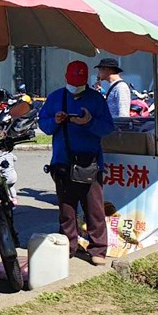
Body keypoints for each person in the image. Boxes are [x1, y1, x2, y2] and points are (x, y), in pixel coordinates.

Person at [38, 61, 115, 266]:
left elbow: (108, 128)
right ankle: (68, 246)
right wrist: (56, 120)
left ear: (86, 80)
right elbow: (44, 125)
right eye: (73, 81)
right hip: (63, 161)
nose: (76, 86)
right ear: (66, 78)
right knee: (66, 210)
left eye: (80, 82)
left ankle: (98, 249)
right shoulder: (56, 97)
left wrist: (89, 122)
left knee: (94, 209)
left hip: (91, 163)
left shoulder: (96, 99)